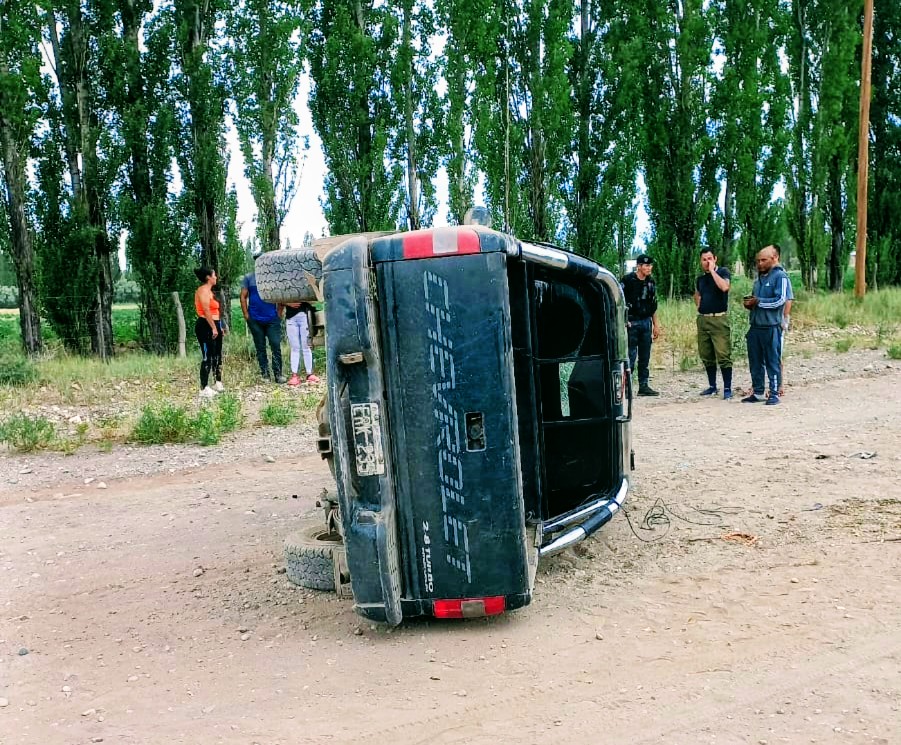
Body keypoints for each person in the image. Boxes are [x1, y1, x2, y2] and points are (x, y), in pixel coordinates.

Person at [742, 246, 790, 405]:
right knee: (755, 362)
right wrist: (750, 304)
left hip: (771, 327)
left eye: (763, 260)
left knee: (772, 361)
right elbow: (757, 301)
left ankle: (774, 393)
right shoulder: (759, 280)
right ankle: (758, 392)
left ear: (775, 258)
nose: (760, 264)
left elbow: (780, 300)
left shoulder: (781, 277)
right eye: (758, 261)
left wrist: (759, 302)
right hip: (755, 326)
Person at [694, 248, 733, 399]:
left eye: (709, 259)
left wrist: (712, 271)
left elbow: (724, 287)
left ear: (715, 259)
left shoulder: (723, 272)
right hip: (704, 319)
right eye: (704, 259)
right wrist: (699, 306)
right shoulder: (700, 279)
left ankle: (727, 388)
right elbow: (697, 294)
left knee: (723, 354)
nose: (707, 262)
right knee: (706, 354)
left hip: (719, 319)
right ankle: (712, 386)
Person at [621, 254, 661, 396]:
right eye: (646, 265)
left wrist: (656, 324)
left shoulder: (651, 282)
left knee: (645, 357)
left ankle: (643, 386)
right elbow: (619, 302)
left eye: (650, 265)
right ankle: (626, 387)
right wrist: (624, 321)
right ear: (639, 266)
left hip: (645, 322)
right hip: (631, 323)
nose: (649, 268)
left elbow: (653, 305)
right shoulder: (627, 280)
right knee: (630, 357)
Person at [240, 271, 285, 383]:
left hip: (272, 319)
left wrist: (279, 313)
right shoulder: (248, 277)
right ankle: (265, 375)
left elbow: (280, 295)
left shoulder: (273, 276)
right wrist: (246, 315)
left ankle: (278, 374)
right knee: (260, 347)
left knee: (275, 345)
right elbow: (243, 296)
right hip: (255, 319)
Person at [194, 267, 225, 398]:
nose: (216, 277)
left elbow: (215, 311)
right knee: (208, 355)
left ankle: (217, 381)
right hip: (205, 325)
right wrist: (213, 327)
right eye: (214, 275)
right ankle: (204, 387)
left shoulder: (211, 292)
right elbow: (206, 310)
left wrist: (219, 326)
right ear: (208, 277)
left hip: (215, 323)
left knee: (217, 354)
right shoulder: (202, 290)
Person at [772, 244, 794, 396]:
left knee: (776, 354)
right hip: (766, 322)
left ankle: (779, 386)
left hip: (777, 321)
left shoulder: (781, 275)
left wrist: (784, 320)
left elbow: (788, 299)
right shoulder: (765, 275)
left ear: (775, 257)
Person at [284, 302, 320, 386]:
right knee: (294, 347)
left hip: (305, 315)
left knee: (306, 346)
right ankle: (294, 375)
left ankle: (310, 374)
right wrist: (288, 303)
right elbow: (278, 299)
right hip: (290, 317)